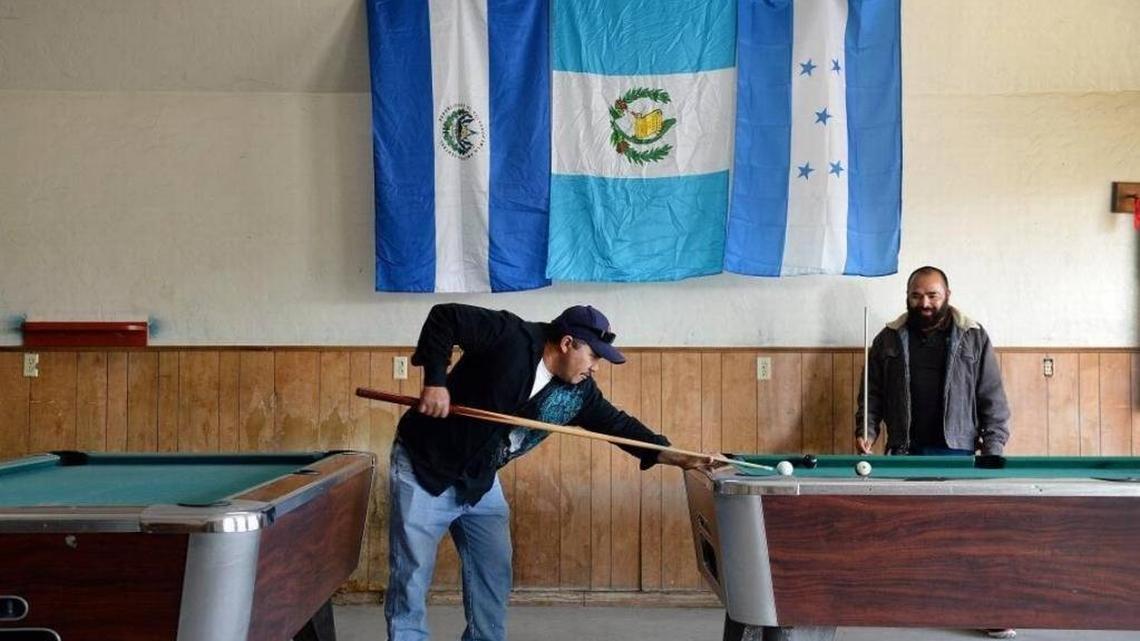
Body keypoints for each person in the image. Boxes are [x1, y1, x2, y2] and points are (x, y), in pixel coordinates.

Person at [386, 303, 712, 641]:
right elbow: (445, 316)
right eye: (594, 357)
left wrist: (677, 456)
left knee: (493, 572)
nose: (596, 368)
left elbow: (619, 426)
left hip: (479, 480)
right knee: (412, 576)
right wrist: (436, 382)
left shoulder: (578, 392)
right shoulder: (509, 335)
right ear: (567, 343)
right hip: (425, 465)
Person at [855, 265, 1014, 639]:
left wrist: (993, 450)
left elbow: (992, 400)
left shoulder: (974, 337)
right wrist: (867, 430)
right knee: (906, 534)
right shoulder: (888, 339)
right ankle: (909, 605)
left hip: (957, 451)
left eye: (932, 295)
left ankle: (989, 608)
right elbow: (871, 395)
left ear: (947, 295)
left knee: (970, 534)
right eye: (916, 296)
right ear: (907, 297)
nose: (924, 303)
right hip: (904, 449)